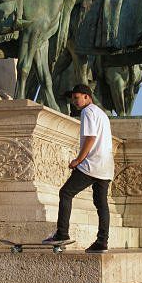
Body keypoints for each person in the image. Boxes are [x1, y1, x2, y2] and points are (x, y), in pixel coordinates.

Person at [42, 84, 114, 253]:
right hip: (105, 166)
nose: (74, 101)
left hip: (92, 164)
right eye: (73, 98)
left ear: (87, 97)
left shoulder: (87, 112)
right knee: (101, 204)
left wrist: (78, 160)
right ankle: (102, 242)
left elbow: (90, 138)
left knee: (66, 193)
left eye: (77, 97)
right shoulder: (101, 114)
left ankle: (62, 234)